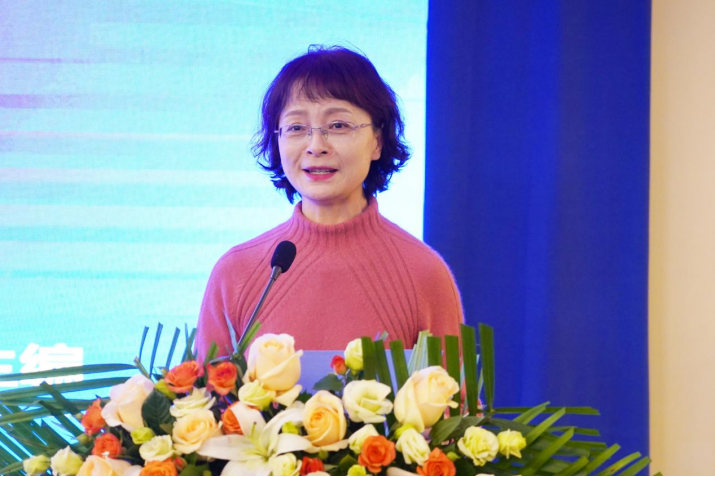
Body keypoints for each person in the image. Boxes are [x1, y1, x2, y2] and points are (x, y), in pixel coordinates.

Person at [196, 45, 463, 359]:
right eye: (297, 128)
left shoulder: (424, 273)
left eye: (338, 126)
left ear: (377, 141)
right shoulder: (236, 273)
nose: (316, 146)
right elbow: (206, 389)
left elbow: (452, 390)